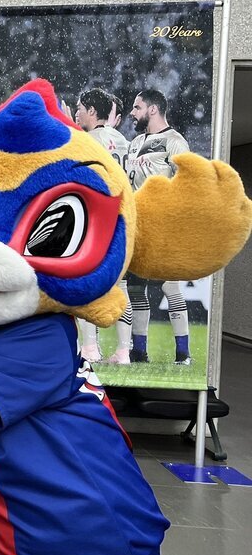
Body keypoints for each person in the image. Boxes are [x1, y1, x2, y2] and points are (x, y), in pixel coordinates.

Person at [124, 88, 192, 365]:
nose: (132, 112)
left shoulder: (174, 142)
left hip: (162, 225)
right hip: (136, 227)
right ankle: (139, 352)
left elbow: (186, 183)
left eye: (137, 107)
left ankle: (183, 354)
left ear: (152, 109)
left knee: (170, 287)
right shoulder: (135, 142)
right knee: (136, 289)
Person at [74, 88, 133, 364]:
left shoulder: (87, 141)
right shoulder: (122, 140)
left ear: (92, 111)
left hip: (98, 218)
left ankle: (90, 348)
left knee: (87, 282)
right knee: (122, 287)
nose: (77, 113)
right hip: (123, 219)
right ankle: (123, 351)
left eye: (80, 108)